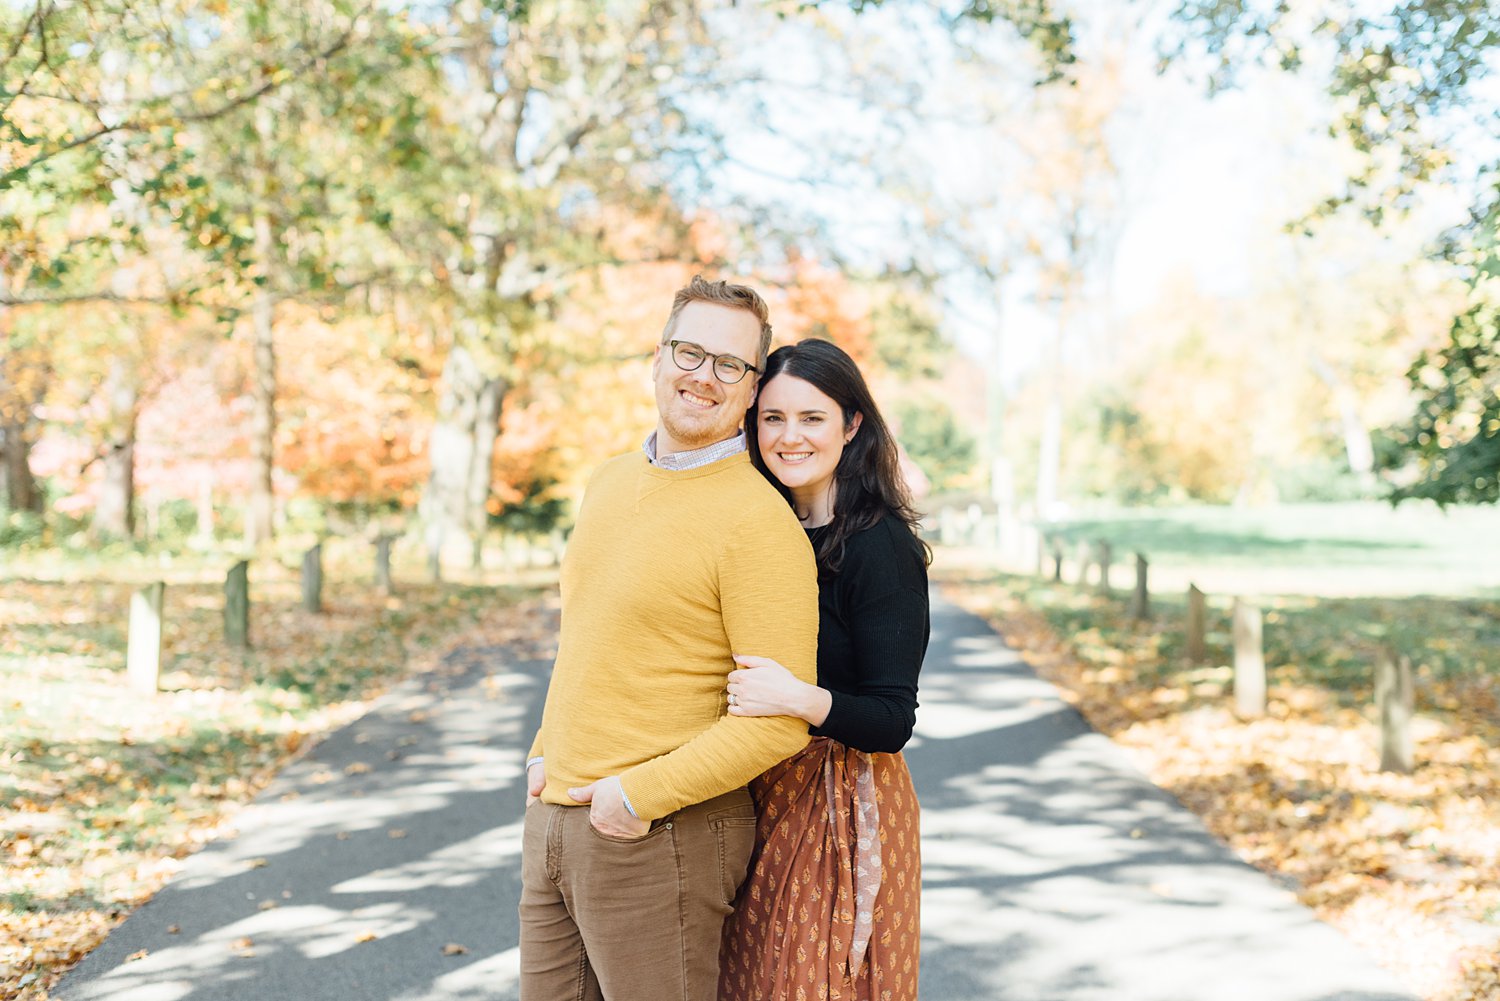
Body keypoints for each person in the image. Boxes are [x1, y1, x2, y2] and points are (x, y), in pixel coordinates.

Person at [519, 276, 820, 1001]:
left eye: (731, 365)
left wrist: (637, 794)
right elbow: (591, 638)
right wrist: (542, 751)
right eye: (691, 352)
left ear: (751, 391)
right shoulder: (609, 481)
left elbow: (777, 721)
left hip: (662, 835)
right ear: (658, 357)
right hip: (556, 820)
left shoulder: (757, 523)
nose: (703, 377)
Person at [717, 338, 930, 1001]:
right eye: (772, 418)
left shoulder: (879, 544)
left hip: (843, 801)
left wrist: (796, 696)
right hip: (756, 788)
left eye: (812, 417)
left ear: (851, 424)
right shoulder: (761, 527)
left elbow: (892, 719)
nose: (789, 436)